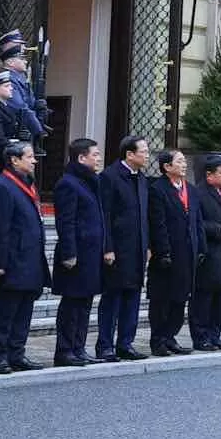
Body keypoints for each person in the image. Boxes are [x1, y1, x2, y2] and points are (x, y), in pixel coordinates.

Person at [0, 140, 50, 373]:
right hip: (12, 261)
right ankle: (0, 356)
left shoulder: (27, 184)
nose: (34, 160)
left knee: (24, 310)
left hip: (30, 259)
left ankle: (17, 353)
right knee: (6, 311)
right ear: (14, 160)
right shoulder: (3, 186)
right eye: (30, 156)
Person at [52, 138, 108, 364]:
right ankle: (65, 350)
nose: (99, 158)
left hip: (91, 254)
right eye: (95, 154)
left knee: (84, 303)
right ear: (81, 158)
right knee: (71, 304)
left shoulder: (90, 182)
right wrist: (69, 253)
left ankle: (79, 347)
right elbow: (65, 222)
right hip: (76, 255)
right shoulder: (68, 183)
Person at [97, 135, 151, 362]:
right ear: (129, 154)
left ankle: (125, 343)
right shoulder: (110, 176)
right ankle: (105, 345)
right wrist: (107, 247)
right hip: (118, 248)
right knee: (113, 298)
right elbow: (105, 215)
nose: (147, 155)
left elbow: (144, 215)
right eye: (144, 151)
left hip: (137, 247)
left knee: (133, 296)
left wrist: (148, 245)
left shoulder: (141, 178)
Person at [146, 148, 204, 356]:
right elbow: (158, 224)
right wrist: (163, 252)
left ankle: (171, 336)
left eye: (183, 160)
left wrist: (201, 247)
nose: (184, 164)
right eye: (179, 161)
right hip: (168, 254)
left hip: (188, 253)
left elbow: (197, 222)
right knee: (162, 299)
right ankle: (158, 339)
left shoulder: (191, 189)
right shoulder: (158, 189)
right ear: (167, 167)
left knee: (181, 298)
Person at [191, 158, 221, 351]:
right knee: (203, 297)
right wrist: (219, 230)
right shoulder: (199, 193)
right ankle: (200, 336)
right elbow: (196, 221)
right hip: (209, 251)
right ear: (209, 175)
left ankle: (215, 334)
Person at [0, 30, 49, 143]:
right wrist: (37, 129)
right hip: (14, 133)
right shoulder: (7, 79)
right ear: (10, 63)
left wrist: (39, 107)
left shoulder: (20, 78)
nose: (25, 61)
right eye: (21, 58)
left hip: (25, 132)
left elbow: (30, 103)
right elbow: (20, 107)